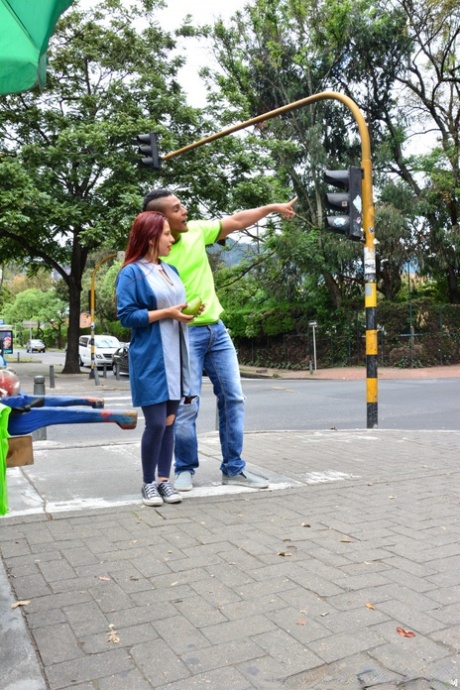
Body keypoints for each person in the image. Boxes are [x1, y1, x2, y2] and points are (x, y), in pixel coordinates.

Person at [142, 189, 297, 492]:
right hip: (182, 335)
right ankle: (185, 468)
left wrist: (271, 207)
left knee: (234, 397)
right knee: (188, 405)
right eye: (177, 208)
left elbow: (238, 221)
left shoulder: (197, 231)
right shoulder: (152, 255)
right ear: (161, 219)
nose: (185, 210)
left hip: (217, 330)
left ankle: (233, 468)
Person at [116, 211, 199, 507]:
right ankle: (148, 483)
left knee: (169, 422)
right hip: (152, 359)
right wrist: (168, 313)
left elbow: (175, 307)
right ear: (151, 237)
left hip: (176, 356)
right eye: (165, 233)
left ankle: (165, 481)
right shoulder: (131, 273)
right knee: (154, 424)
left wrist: (187, 312)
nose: (171, 238)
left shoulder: (171, 270)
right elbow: (127, 316)